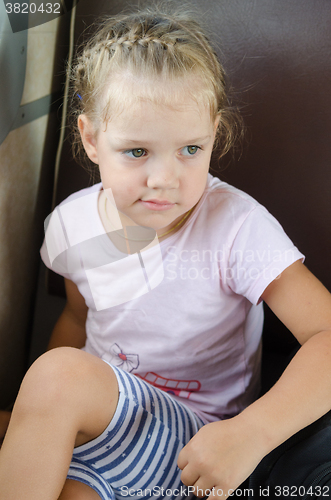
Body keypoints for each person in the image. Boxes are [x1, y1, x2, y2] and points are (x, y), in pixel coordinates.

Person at [1, 3, 331, 499]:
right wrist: (41, 415)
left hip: (196, 447)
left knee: (54, 379)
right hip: (107, 428)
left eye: (190, 150)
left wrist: (252, 433)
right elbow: (76, 318)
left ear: (213, 134)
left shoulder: (237, 227)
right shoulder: (72, 224)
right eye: (137, 151)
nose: (164, 181)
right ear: (91, 138)